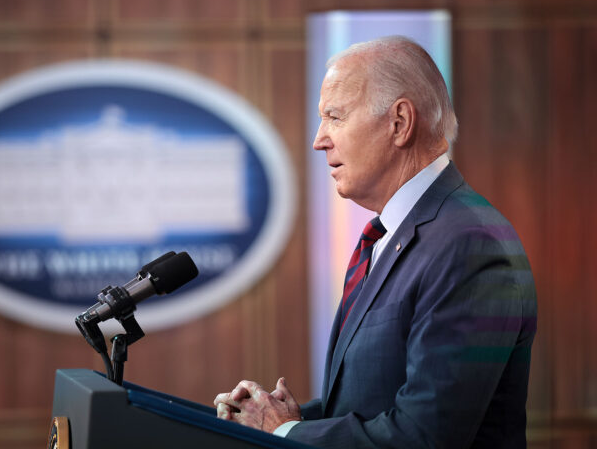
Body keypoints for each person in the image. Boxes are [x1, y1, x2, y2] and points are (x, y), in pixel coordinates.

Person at [214, 36, 537, 448]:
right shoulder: (391, 236)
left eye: (335, 117)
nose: (319, 139)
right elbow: (369, 406)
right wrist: (277, 419)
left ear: (399, 123)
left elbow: (425, 436)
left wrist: (285, 432)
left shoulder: (471, 245)